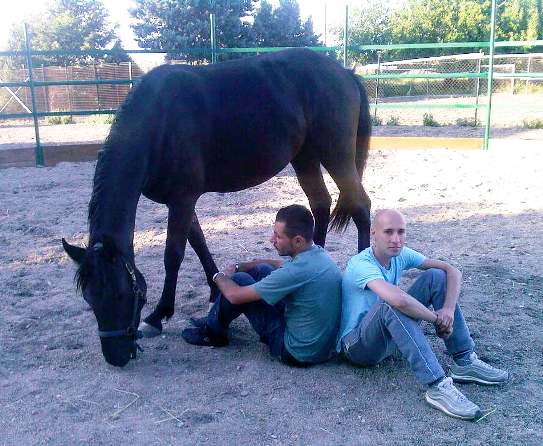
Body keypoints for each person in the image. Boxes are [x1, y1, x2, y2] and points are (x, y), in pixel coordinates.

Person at [337, 209, 508, 420]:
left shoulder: (400, 254)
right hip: (357, 347)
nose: (396, 239)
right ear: (373, 233)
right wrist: (436, 319)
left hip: (386, 339)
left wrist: (447, 310)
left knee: (436, 275)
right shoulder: (360, 264)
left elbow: (452, 271)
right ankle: (437, 385)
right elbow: (398, 300)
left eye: (401, 232)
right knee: (390, 303)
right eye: (388, 232)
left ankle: (465, 361)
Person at [182, 204, 342, 366]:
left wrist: (218, 275)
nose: (272, 240)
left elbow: (235, 296)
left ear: (298, 240)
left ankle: (213, 334)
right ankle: (214, 318)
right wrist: (249, 264)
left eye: (278, 236)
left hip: (296, 351)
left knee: (239, 280)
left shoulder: (295, 272)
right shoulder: (318, 254)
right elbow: (279, 264)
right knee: (262, 269)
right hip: (320, 345)